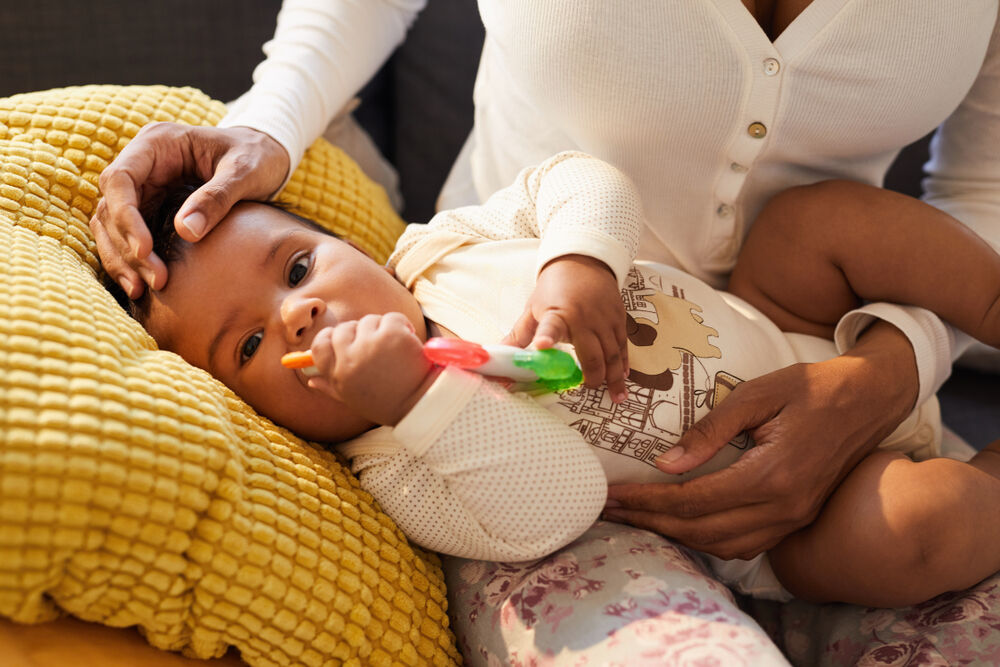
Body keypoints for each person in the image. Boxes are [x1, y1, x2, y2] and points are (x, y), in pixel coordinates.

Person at [106, 151, 1000, 609]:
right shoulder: (399, 463)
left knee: (815, 222)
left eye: (298, 269)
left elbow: (577, 177)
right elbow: (556, 503)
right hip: (793, 512)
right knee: (913, 531)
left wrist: (580, 262)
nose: (296, 313)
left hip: (782, 316)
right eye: (250, 346)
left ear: (349, 244)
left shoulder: (443, 246)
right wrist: (413, 397)